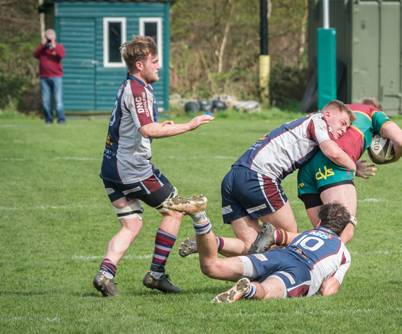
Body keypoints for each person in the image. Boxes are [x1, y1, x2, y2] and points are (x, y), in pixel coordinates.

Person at [93, 35, 214, 297]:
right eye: (155, 61)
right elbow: (147, 129)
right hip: (132, 168)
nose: (159, 66)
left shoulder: (134, 85)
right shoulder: (137, 90)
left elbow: (137, 125)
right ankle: (156, 275)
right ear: (139, 65)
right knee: (175, 211)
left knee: (131, 225)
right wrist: (188, 125)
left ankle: (105, 274)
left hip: (111, 168)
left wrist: (164, 125)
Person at [177, 100, 357, 259]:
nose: (343, 130)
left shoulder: (302, 123)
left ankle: (207, 242)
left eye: (347, 128)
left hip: (232, 178)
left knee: (250, 245)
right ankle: (281, 283)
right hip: (258, 178)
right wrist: (353, 166)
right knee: (288, 236)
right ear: (327, 114)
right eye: (342, 123)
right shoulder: (318, 121)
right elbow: (332, 152)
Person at [250, 98, 402, 253]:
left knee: (322, 232)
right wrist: (392, 158)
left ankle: (287, 262)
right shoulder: (373, 112)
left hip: (306, 171)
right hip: (333, 165)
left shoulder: (337, 111)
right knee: (342, 232)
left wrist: (354, 165)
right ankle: (279, 237)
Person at [166, 195, 351, 303]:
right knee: (265, 290)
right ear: (342, 231)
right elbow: (328, 289)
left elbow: (282, 237)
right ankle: (248, 289)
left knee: (212, 267)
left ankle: (200, 217)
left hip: (279, 255)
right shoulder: (343, 252)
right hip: (302, 272)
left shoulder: (309, 233)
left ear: (319, 222)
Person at [33, 29, 66, 124]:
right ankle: (48, 119)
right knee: (45, 101)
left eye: (50, 38)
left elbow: (61, 55)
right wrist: (42, 45)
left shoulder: (58, 47)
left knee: (58, 100)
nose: (49, 40)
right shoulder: (43, 49)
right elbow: (35, 55)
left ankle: (61, 119)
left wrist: (53, 46)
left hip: (56, 77)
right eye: (48, 38)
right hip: (44, 77)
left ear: (54, 37)